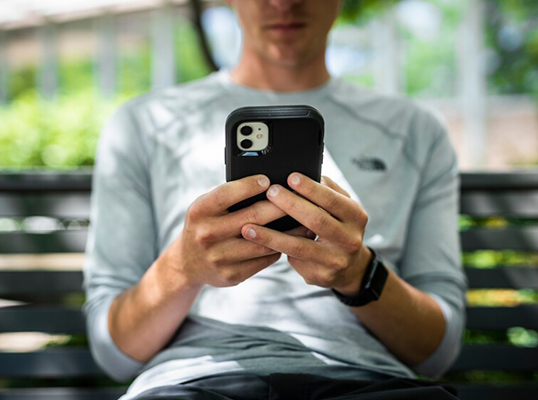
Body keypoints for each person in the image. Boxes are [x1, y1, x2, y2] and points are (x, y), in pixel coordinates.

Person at [82, 0, 467, 398]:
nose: (283, 3)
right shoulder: (145, 124)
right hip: (190, 381)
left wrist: (359, 274)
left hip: (365, 381)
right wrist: (184, 268)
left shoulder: (415, 130)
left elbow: (436, 352)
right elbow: (115, 354)